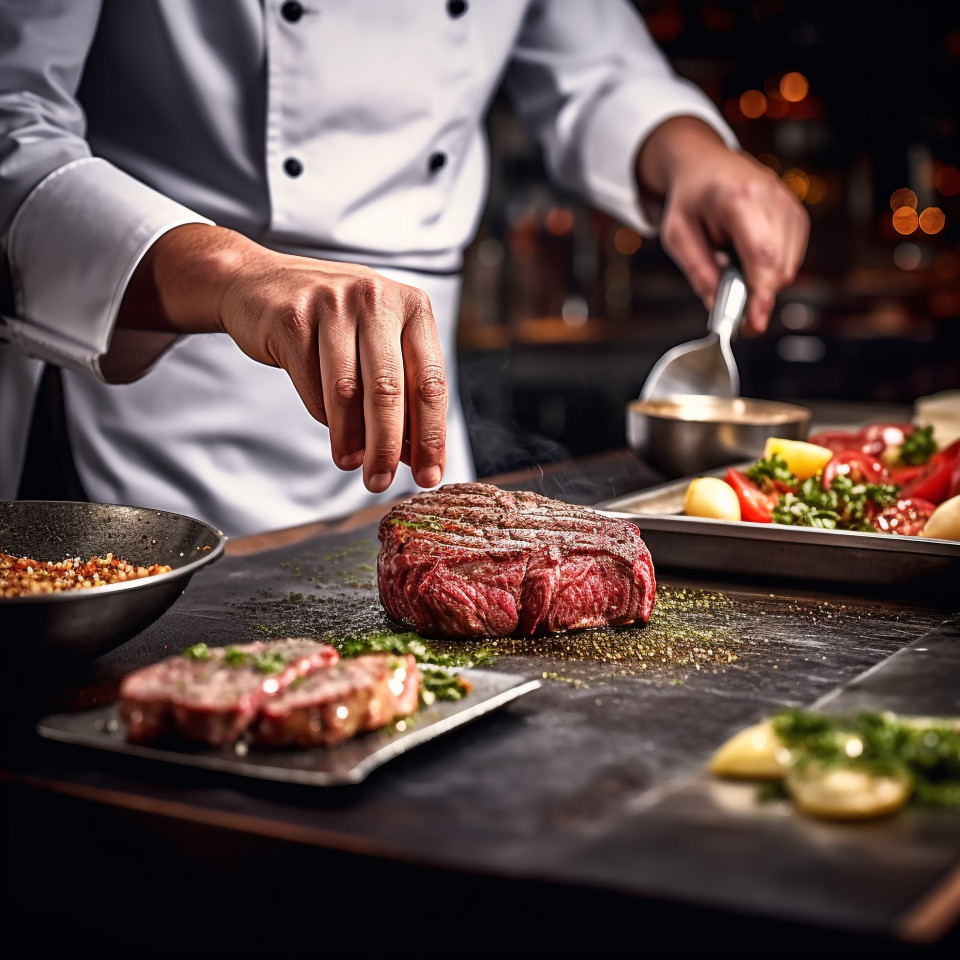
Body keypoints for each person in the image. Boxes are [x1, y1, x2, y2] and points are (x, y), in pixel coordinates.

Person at [0, 0, 808, 538]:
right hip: (169, 344)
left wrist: (695, 156)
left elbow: (598, 68)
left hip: (422, 408)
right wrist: (231, 271)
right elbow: (13, 119)